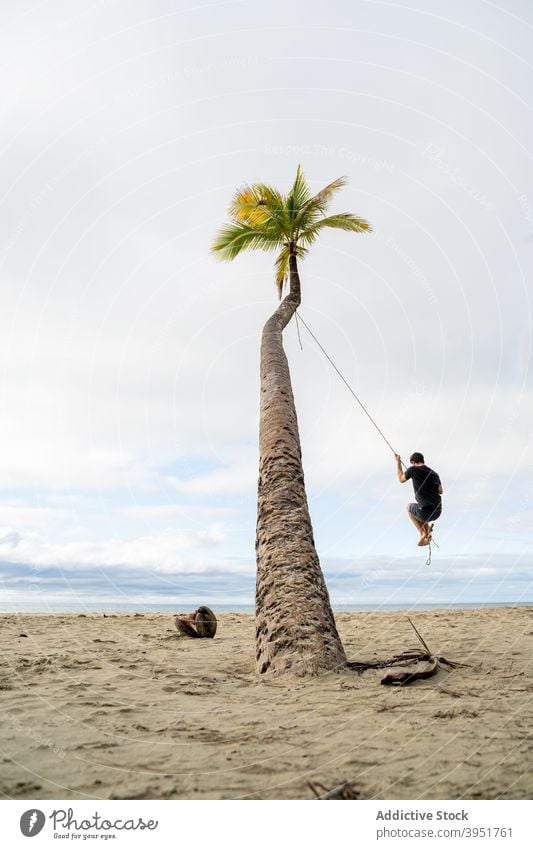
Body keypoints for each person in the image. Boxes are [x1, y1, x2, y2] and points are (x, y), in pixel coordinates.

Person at [395, 452, 442, 547]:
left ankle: (422, 533)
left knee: (409, 508)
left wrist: (398, 462)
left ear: (413, 462)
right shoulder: (434, 473)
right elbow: (440, 491)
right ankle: (427, 529)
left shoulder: (412, 469)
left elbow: (401, 479)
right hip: (437, 512)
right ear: (423, 460)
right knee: (420, 509)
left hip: (425, 513)